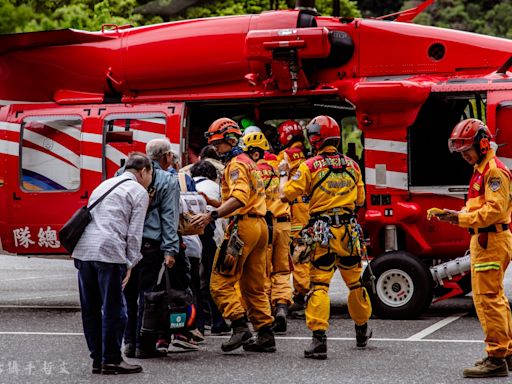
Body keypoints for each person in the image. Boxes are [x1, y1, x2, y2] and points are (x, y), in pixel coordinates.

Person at [279, 115, 372, 359]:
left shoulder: (308, 166)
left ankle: (319, 340)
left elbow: (285, 195)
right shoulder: (352, 165)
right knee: (355, 283)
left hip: (322, 233)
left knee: (319, 284)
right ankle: (362, 331)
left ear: (315, 138)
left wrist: (282, 175)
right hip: (349, 232)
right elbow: (360, 201)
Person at [190, 117, 275, 353]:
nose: (215, 149)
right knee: (254, 285)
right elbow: (242, 199)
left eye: (218, 144)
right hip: (259, 227)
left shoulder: (236, 164)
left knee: (219, 281)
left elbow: (239, 199)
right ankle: (266, 333)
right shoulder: (249, 162)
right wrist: (213, 202)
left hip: (243, 229)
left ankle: (239, 326)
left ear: (230, 139)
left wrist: (212, 214)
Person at [439, 118, 512, 378]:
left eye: (466, 150)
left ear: (482, 144)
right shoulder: (482, 168)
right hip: (486, 240)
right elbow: (480, 208)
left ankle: (496, 358)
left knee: (487, 300)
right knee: (495, 298)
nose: (464, 156)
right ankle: (506, 352)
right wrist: (455, 214)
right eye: (460, 152)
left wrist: (458, 219)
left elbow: (494, 211)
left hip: (490, 240)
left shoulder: (493, 171)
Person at [73, 152, 151, 375]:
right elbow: (134, 233)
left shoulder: (104, 185)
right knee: (114, 308)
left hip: (84, 251)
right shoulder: (138, 191)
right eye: (150, 174)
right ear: (144, 171)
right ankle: (112, 359)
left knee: (90, 309)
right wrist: (130, 263)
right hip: (109, 252)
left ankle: (97, 359)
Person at [122, 138, 184, 359]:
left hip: (126, 243)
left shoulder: (122, 175)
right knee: (149, 295)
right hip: (150, 246)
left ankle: (128, 342)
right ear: (167, 156)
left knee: (128, 295)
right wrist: (170, 250)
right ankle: (144, 344)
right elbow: (170, 218)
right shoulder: (168, 180)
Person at [242, 131, 292, 333]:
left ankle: (267, 313)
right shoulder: (281, 169)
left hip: (264, 225)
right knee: (282, 269)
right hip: (283, 224)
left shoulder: (250, 172)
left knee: (262, 271)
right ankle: (281, 305)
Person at [190, 160, 231, 335]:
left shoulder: (188, 184)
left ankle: (198, 324)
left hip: (190, 238)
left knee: (195, 283)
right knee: (213, 281)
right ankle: (218, 321)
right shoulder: (216, 187)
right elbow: (225, 218)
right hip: (211, 238)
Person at [276, 120, 310, 316]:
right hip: (308, 208)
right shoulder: (307, 155)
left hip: (295, 210)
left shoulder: (285, 156)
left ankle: (300, 296)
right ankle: (306, 292)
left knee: (298, 255)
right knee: (306, 251)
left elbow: (276, 175)